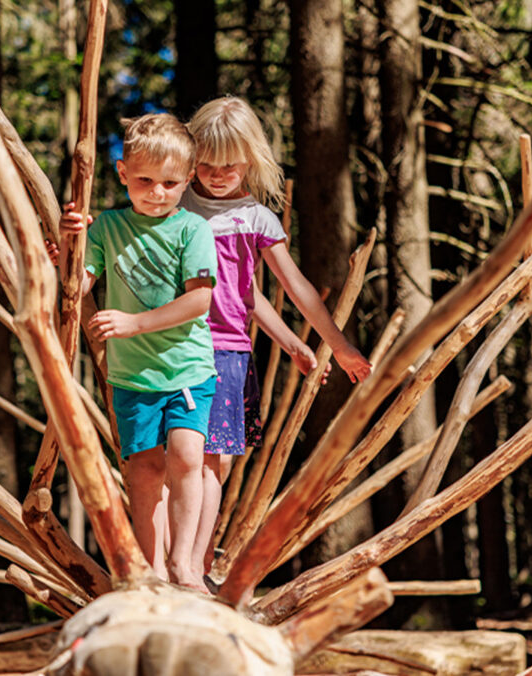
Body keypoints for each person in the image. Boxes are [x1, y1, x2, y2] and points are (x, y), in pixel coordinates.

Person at [180, 96, 373, 577]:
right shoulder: (176, 205)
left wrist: (319, 344)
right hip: (174, 345)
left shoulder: (255, 219)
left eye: (230, 165)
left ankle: (197, 566)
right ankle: (173, 563)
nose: (218, 174)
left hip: (227, 351)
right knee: (179, 459)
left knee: (215, 463)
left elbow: (276, 293)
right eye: (206, 164)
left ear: (250, 159)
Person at [56, 113, 217, 592]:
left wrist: (133, 323)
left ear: (188, 181)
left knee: (187, 457)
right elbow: (76, 283)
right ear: (122, 172)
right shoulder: (106, 227)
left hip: (187, 368)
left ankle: (184, 563)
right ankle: (148, 569)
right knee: (144, 470)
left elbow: (199, 300)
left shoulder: (192, 230)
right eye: (145, 180)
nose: (158, 192)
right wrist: (69, 243)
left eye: (170, 183)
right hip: (133, 378)